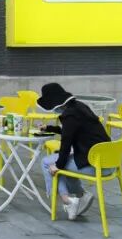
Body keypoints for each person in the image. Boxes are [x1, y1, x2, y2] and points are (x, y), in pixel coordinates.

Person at [37, 83, 110, 220]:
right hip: (109, 162)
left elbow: (66, 143)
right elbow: (71, 131)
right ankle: (81, 195)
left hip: (96, 165)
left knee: (48, 163)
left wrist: (58, 165)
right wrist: (50, 128)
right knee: (60, 163)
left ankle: (68, 201)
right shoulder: (80, 107)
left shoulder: (69, 115)